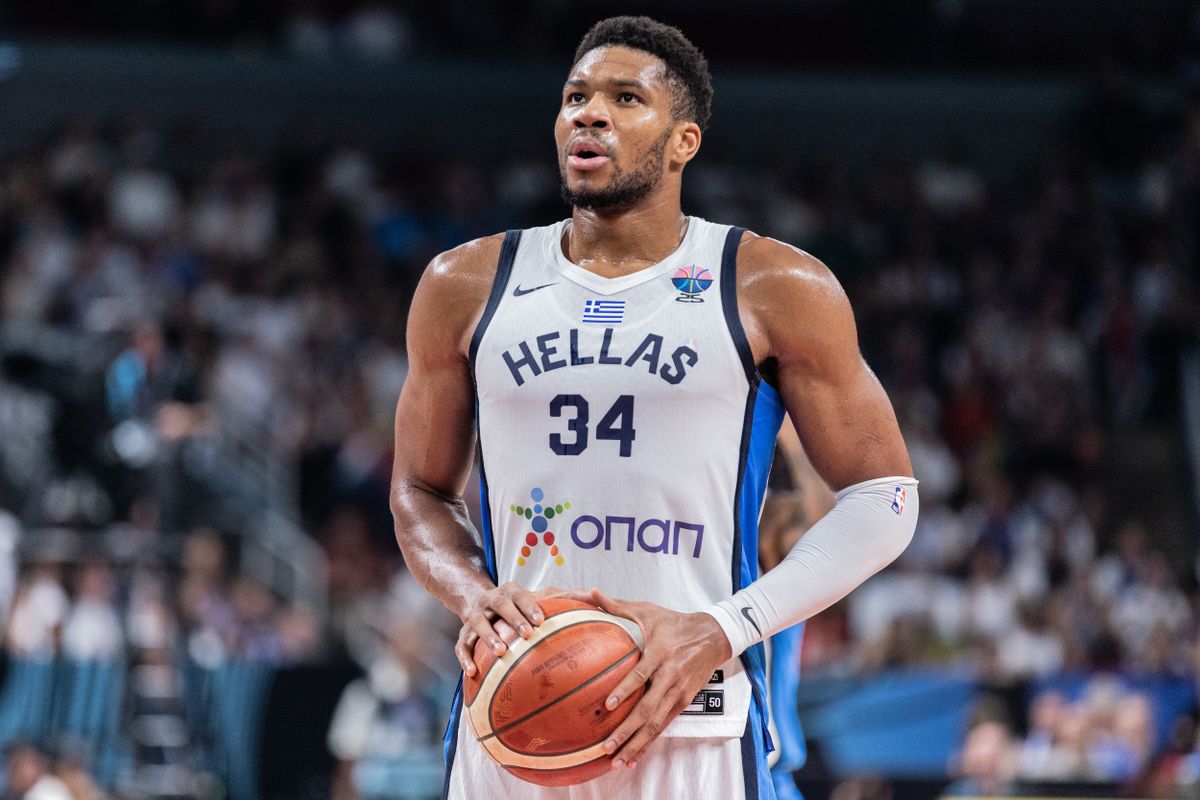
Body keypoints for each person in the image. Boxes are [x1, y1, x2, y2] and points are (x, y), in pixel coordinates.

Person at [390, 15, 918, 800]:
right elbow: (418, 490)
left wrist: (723, 629)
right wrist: (472, 597)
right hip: (514, 713)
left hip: (691, 720)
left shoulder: (773, 286)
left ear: (683, 142)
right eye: (575, 96)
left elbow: (887, 496)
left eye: (625, 98)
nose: (588, 113)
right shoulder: (463, 284)